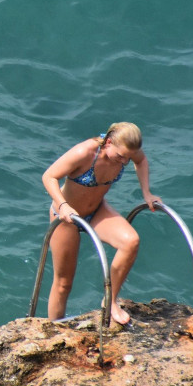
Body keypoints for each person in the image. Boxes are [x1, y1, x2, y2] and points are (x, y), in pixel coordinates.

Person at [41, 122, 160, 325]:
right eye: (120, 156)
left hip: (96, 211)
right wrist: (63, 205)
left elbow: (141, 162)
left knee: (130, 242)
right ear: (108, 142)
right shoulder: (85, 152)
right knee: (63, 283)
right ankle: (54, 329)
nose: (124, 162)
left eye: (127, 158)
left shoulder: (128, 153)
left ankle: (110, 301)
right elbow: (49, 176)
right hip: (67, 217)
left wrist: (146, 193)